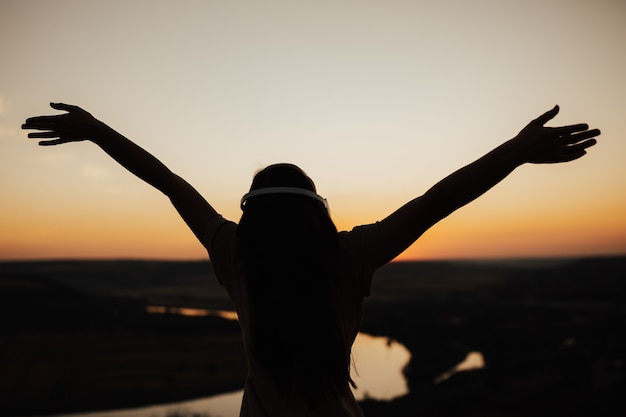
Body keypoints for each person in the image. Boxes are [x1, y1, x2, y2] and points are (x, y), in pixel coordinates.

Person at [22, 102, 600, 416]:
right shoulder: (351, 254)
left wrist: (97, 131)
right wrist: (517, 152)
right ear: (316, 212)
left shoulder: (235, 253)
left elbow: (170, 184)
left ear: (251, 214)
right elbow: (437, 202)